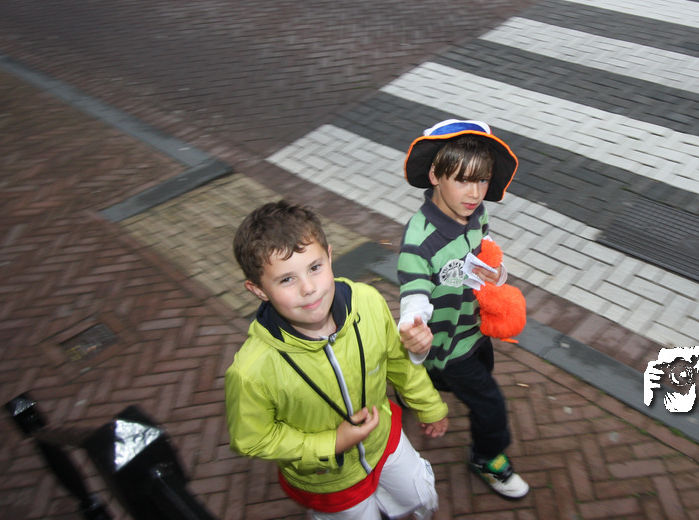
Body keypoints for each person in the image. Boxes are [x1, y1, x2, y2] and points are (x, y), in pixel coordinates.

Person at [225, 201, 449, 520]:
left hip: (384, 440)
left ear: (330, 257)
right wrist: (331, 444)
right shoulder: (251, 371)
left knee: (418, 494)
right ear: (259, 290)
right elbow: (253, 439)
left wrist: (429, 406)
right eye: (286, 280)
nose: (308, 288)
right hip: (328, 480)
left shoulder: (368, 302)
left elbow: (399, 363)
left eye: (315, 268)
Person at [396, 119, 529, 499]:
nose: (475, 193)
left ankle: (410, 388)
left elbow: (485, 246)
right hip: (446, 344)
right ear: (435, 176)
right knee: (490, 403)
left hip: (473, 328)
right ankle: (487, 457)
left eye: (483, 180)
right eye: (463, 180)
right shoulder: (419, 241)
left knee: (475, 374)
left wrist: (497, 271)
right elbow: (413, 291)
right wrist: (413, 323)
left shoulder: (477, 212)